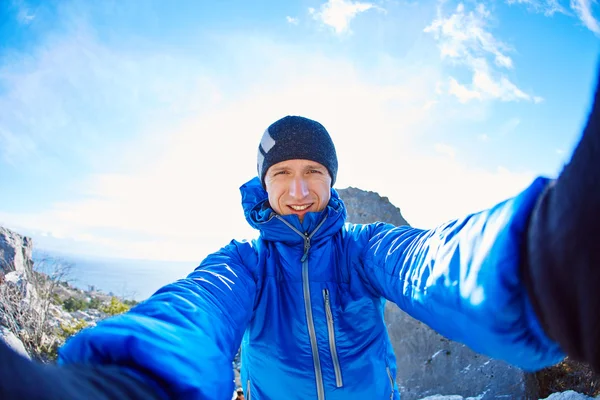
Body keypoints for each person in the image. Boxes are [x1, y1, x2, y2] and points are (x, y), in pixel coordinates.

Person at [1, 68, 600, 400]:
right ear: (262, 185)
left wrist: (541, 263)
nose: (297, 189)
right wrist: (122, 386)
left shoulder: (362, 249)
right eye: (281, 173)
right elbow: (194, 309)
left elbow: (427, 261)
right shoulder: (245, 265)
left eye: (313, 172)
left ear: (331, 181)